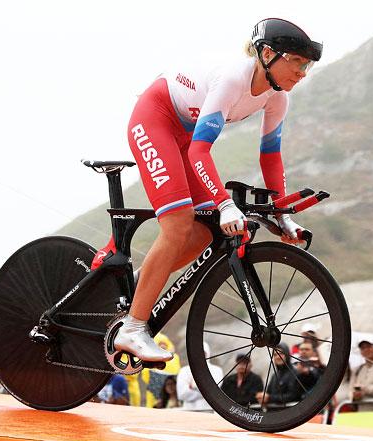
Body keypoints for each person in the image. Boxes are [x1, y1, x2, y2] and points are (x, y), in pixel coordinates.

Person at [112, 19, 323, 361]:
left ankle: (138, 282)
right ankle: (133, 328)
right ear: (268, 54)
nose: (303, 72)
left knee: (203, 234)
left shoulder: (277, 98)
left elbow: (270, 157)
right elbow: (200, 152)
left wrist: (282, 215)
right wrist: (225, 203)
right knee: (179, 222)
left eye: (307, 65)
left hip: (186, 135)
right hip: (156, 118)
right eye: (297, 62)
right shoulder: (231, 80)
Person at [177, 342, 224, 411]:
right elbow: (182, 394)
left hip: (210, 410)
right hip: (188, 411)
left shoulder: (217, 370)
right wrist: (205, 390)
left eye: (203, 353)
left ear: (207, 353)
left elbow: (214, 392)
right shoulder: (184, 370)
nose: (200, 355)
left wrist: (193, 387)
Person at [141, 333, 181, 407]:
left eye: (164, 343)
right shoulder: (150, 357)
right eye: (160, 344)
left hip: (170, 390)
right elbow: (145, 376)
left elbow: (177, 372)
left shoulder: (175, 358)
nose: (163, 346)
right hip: (154, 392)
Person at [256, 343, 301, 407]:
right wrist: (262, 397)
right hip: (274, 413)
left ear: (287, 355)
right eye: (275, 355)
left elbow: (293, 396)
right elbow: (268, 393)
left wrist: (269, 398)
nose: (277, 357)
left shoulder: (295, 373)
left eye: (281, 353)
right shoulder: (274, 376)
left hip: (291, 413)